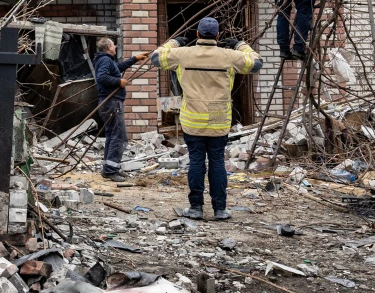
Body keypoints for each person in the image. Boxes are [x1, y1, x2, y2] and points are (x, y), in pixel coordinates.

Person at [150, 17, 263, 220]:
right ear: (218, 36)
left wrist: (175, 42)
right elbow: (256, 64)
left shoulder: (184, 55)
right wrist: (240, 45)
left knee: (196, 162)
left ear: (198, 35)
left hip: (192, 117)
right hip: (219, 117)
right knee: (217, 161)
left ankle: (196, 208)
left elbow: (156, 58)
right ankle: (220, 209)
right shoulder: (228, 56)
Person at [93, 37, 149, 180]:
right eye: (113, 45)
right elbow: (102, 78)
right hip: (111, 102)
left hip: (110, 102)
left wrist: (135, 58)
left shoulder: (105, 59)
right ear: (107, 48)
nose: (115, 47)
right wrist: (119, 81)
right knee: (119, 136)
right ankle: (111, 170)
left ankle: (110, 168)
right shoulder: (105, 60)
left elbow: (118, 67)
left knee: (112, 135)